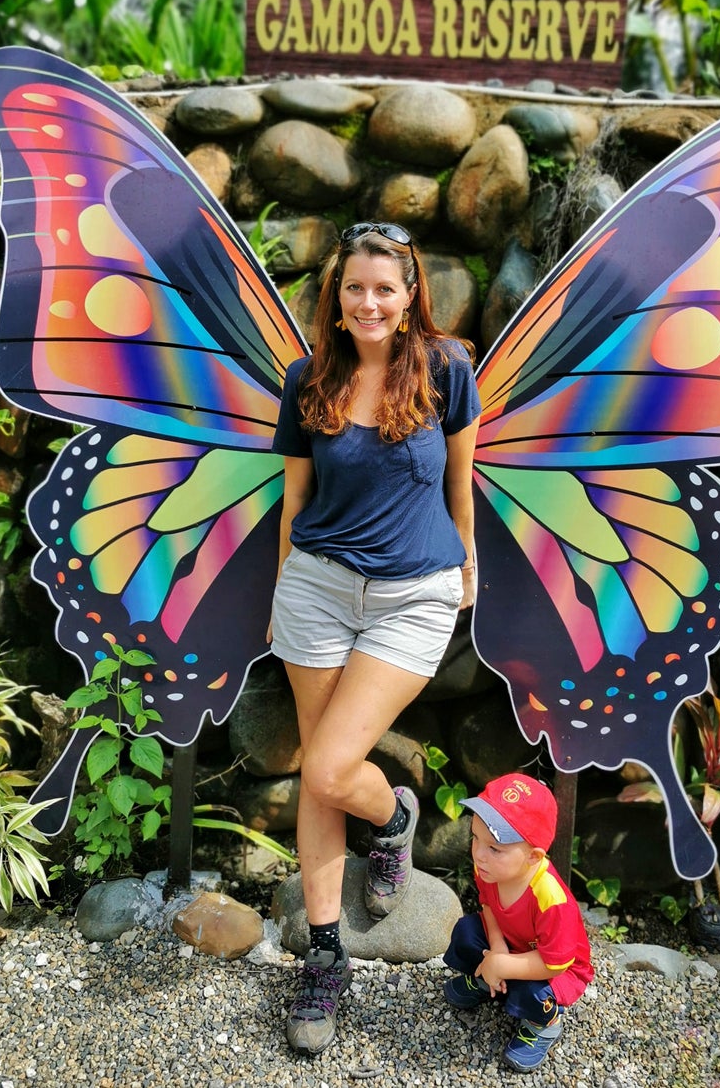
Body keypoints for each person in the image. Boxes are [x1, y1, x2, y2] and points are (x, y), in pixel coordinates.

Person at [268, 222, 481, 1055]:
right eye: (355, 287)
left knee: (327, 766)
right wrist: (282, 588)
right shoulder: (308, 378)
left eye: (384, 288)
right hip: (316, 587)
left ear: (410, 293)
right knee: (319, 780)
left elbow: (462, 476)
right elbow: (295, 502)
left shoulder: (446, 369)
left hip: (412, 596)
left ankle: (393, 819)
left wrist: (470, 560)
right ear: (337, 294)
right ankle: (325, 954)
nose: (368, 302)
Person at [442, 773, 595, 1073]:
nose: (479, 854)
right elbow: (488, 905)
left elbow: (555, 964)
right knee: (466, 932)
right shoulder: (488, 869)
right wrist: (497, 951)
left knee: (534, 991)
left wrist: (503, 966)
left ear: (533, 856)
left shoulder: (550, 899)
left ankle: (545, 1024)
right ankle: (488, 981)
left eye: (494, 848)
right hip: (513, 943)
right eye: (475, 838)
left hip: (555, 966)